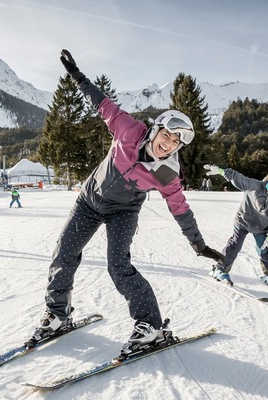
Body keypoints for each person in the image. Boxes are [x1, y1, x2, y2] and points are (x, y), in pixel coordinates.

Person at [28, 49, 225, 356]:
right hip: (89, 201)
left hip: (124, 211)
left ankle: (150, 327)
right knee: (64, 252)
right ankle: (58, 314)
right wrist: (77, 75)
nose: (169, 144)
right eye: (168, 135)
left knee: (118, 266)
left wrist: (198, 244)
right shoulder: (128, 129)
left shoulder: (166, 172)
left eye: (177, 142)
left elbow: (180, 207)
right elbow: (101, 102)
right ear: (157, 128)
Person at [204, 165, 268, 289]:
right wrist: (222, 171)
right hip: (243, 221)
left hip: (260, 226)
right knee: (235, 245)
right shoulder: (253, 186)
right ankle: (220, 270)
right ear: (266, 182)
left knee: (264, 249)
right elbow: (236, 177)